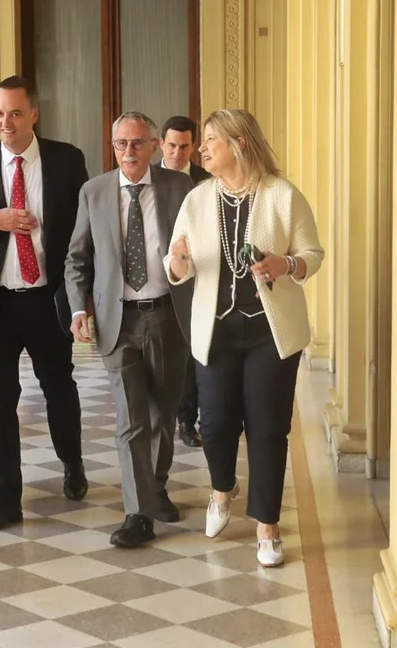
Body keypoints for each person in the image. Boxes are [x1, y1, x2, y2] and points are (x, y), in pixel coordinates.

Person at [165, 108, 324, 567]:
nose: (202, 148)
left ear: (238, 144)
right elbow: (177, 265)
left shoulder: (282, 195)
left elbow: (312, 254)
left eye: (210, 139)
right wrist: (177, 263)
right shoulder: (197, 199)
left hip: (270, 334)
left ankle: (267, 525)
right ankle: (222, 489)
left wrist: (285, 264)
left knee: (268, 428)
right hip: (215, 331)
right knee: (214, 425)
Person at [0, 76, 89, 532]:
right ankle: (6, 497)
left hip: (48, 299)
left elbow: (84, 230)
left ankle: (72, 462)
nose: (5, 123)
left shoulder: (67, 160)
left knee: (59, 389)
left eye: (14, 113)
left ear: (34, 114)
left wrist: (83, 298)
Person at [65, 111, 194, 549]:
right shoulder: (94, 192)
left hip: (168, 315)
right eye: (121, 143)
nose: (129, 151)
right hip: (116, 320)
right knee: (131, 418)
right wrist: (77, 310)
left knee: (163, 412)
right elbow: (77, 258)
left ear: (155, 146)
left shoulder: (180, 188)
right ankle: (138, 513)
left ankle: (155, 486)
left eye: (138, 143)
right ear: (113, 146)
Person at [159, 115, 212, 449]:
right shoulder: (148, 178)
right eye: (171, 146)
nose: (177, 153)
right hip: (158, 278)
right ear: (161, 145)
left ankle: (193, 419)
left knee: (196, 351)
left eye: (184, 146)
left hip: (199, 277)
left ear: (194, 147)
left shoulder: (207, 181)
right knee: (169, 353)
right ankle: (172, 417)